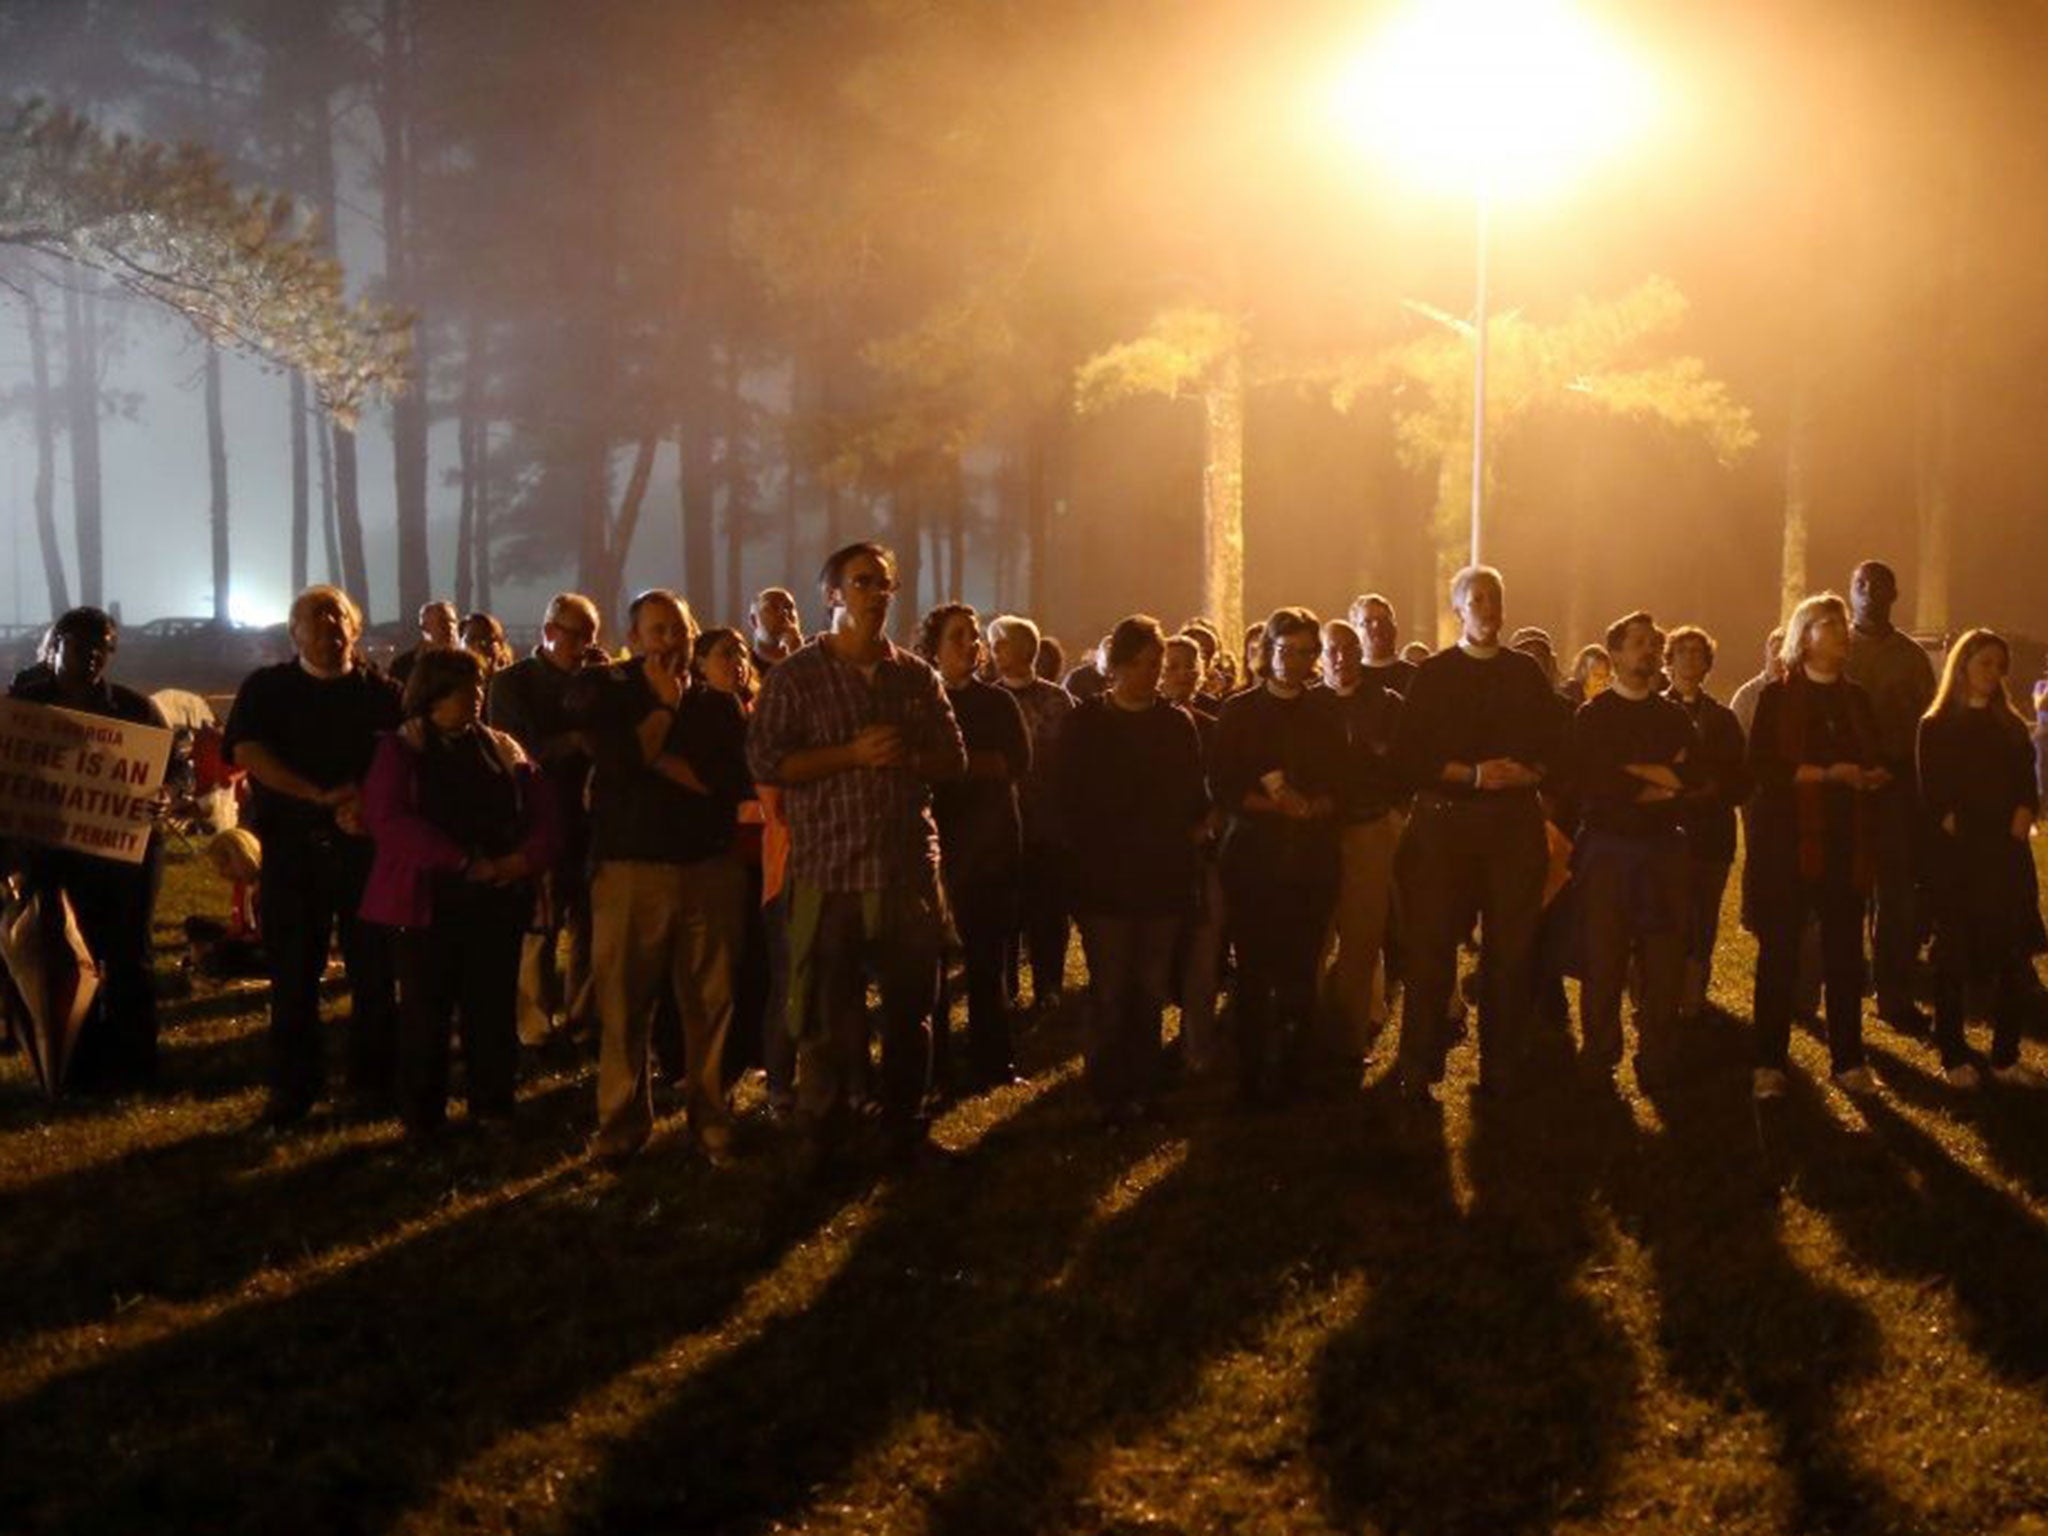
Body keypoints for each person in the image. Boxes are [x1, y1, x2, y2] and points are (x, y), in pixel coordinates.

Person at [746, 542, 966, 1171]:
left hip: (903, 873)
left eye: (886, 585)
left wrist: (909, 758)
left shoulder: (914, 676)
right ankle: (825, 1132)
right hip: (831, 873)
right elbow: (766, 761)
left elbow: (955, 757)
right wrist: (849, 755)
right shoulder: (796, 677)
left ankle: (903, 1128)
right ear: (833, 595)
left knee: (910, 1013)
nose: (877, 595)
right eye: (863, 582)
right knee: (828, 1017)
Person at [572, 589, 752, 1165]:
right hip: (632, 869)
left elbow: (726, 785)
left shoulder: (720, 704)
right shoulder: (607, 690)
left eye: (680, 628)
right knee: (625, 1003)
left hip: (708, 868)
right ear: (634, 640)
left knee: (710, 1000)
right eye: (658, 630)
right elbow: (616, 764)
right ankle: (621, 1124)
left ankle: (711, 1116)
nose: (671, 641)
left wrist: (650, 756)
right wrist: (664, 712)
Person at [224, 585, 402, 1125]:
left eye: (338, 616)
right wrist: (315, 796)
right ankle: (294, 1087)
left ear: (356, 627)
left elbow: (400, 757)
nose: (328, 626)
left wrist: (364, 803)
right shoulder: (268, 689)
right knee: (294, 976)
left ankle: (373, 1083)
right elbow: (249, 751)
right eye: (314, 617)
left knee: (374, 972)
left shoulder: (385, 694)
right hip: (293, 851)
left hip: (364, 853)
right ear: (294, 631)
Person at [361, 648, 555, 1136]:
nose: (475, 699)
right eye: (464, 690)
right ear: (434, 693)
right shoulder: (401, 750)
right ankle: (423, 1116)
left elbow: (545, 815)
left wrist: (520, 861)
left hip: (495, 898)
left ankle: (492, 1103)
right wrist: (462, 861)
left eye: (478, 688)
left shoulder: (503, 748)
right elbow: (389, 820)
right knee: (426, 1013)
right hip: (428, 901)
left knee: (490, 1007)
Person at [1389, 565, 1563, 1101]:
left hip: (1513, 826)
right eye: (1477, 599)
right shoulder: (1437, 674)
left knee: (1510, 953)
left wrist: (1533, 773)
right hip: (1445, 826)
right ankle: (1419, 1063)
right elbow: (1411, 755)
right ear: (1459, 610)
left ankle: (1502, 1065)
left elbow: (1556, 740)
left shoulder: (1525, 675)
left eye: (1495, 599)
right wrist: (1471, 775)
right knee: (1431, 948)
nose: (1488, 608)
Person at [7, 607, 169, 1093]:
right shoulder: (22, 709)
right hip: (47, 852)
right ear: (55, 645)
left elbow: (172, 768)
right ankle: (68, 1063)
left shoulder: (136, 709)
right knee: (54, 954)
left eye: (104, 646)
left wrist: (167, 796)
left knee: (127, 954)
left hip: (123, 857)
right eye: (82, 645)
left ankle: (136, 1065)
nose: (94, 655)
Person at [1059, 615, 1209, 1122]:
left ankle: (1142, 1082)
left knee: (1149, 987)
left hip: (1161, 875)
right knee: (1112, 985)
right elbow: (1070, 798)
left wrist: (1190, 837)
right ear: (1117, 667)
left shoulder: (1174, 725)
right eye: (1141, 665)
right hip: (1106, 879)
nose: (1150, 675)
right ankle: (1108, 1085)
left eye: (1157, 665)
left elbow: (1193, 795)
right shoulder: (1086, 724)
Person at [1747, 592, 1887, 1101]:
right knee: (1780, 953)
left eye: (1843, 623)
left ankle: (1849, 1060)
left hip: (1847, 843)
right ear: (1803, 636)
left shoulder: (1856, 699)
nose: (1842, 631)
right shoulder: (1777, 697)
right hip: (1790, 844)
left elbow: (1877, 752)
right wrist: (1830, 774)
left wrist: (1872, 776)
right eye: (1829, 623)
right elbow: (1764, 770)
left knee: (1846, 955)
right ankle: (1768, 1062)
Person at [1213, 607, 1348, 1103]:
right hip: (1255, 856)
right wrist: (1274, 804)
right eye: (1285, 651)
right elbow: (1224, 783)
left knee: (1300, 968)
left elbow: (1344, 779)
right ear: (1267, 652)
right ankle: (1249, 1070)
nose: (1294, 661)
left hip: (1312, 857)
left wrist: (1318, 805)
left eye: (1306, 652)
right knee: (1252, 968)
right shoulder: (1241, 711)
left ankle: (1295, 1068)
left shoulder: (1326, 711)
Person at [1567, 612, 1697, 1091]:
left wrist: (1632, 774)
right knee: (1604, 958)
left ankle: (1657, 1054)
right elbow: (1596, 785)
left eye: (1653, 642)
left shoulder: (1673, 715)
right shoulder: (1594, 717)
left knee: (1663, 959)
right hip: (1608, 850)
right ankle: (1600, 1054)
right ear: (1616, 653)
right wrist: (1660, 777)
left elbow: (1693, 777)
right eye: (1638, 642)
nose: (1648, 650)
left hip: (1664, 849)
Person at [1917, 629, 2047, 1090]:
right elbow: (1940, 802)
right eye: (1985, 663)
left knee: (2013, 958)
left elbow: (2025, 785)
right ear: (1964, 664)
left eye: (1999, 666)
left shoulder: (2010, 727)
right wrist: (1987, 825)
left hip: (2006, 861)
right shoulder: (1936, 727)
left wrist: (2025, 810)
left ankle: (2005, 1054)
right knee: (1952, 957)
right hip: (1960, 862)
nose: (1993, 673)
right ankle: (1952, 1051)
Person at [919, 603, 1030, 1090]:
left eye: (974, 636)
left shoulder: (997, 703)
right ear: (934, 649)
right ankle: (934, 1065)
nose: (970, 644)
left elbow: (1016, 762)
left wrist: (952, 765)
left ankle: (994, 1061)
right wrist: (969, 765)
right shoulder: (921, 703)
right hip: (937, 852)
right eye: (957, 636)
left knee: (989, 964)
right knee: (934, 971)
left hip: (990, 851)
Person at [489, 592, 602, 1048]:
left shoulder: (596, 680)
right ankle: (534, 1023)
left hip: (591, 820)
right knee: (540, 923)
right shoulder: (513, 683)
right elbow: (518, 749)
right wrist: (575, 739)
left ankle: (583, 1017)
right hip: (538, 818)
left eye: (590, 636)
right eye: (576, 635)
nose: (583, 646)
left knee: (589, 924)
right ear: (550, 632)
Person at [1843, 559, 1937, 1033]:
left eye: (1880, 586)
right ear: (1850, 590)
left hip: (1898, 788)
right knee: (1840, 893)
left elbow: (1929, 724)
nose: (1870, 593)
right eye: (1861, 584)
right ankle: (1836, 984)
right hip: (1844, 788)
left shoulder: (1911, 658)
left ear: (1894, 594)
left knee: (1896, 894)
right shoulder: (1835, 650)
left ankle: (1893, 992)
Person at [1317, 618, 1405, 1062]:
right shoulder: (1310, 705)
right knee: (1315, 936)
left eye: (1350, 648)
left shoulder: (1385, 704)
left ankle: (1350, 1038)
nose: (1342, 658)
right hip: (1318, 835)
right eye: (1332, 649)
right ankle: (1309, 1033)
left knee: (1362, 939)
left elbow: (1403, 762)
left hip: (1369, 828)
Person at [988, 613, 1076, 1016]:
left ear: (1025, 649)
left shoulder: (1056, 700)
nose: (993, 652)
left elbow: (1072, 759)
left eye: (1000, 644)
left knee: (1049, 911)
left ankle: (1049, 985)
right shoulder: (990, 699)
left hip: (1048, 824)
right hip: (1003, 825)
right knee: (1005, 913)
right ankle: (1003, 987)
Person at [1664, 624, 1752, 1018]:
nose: (1689, 659)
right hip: (1665, 830)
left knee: (1702, 914)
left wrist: (1713, 786)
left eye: (1698, 653)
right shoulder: (1654, 711)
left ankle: (1694, 985)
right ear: (1668, 661)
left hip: (1712, 835)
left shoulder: (1722, 718)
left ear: (1707, 665)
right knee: (1667, 912)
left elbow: (1739, 777)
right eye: (1681, 651)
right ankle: (1660, 984)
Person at [1159, 633, 1227, 1072]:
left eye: (1190, 664)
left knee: (1205, 949)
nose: (1183, 673)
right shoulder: (1144, 724)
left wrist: (1209, 824)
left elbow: (1227, 784)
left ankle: (1197, 1044)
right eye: (1172, 665)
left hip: (1205, 852)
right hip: (1156, 854)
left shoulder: (1212, 727)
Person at [1348, 593, 1418, 696]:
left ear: (1394, 626)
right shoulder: (1347, 679)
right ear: (1355, 631)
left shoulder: (1416, 677)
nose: (1376, 627)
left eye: (1383, 620)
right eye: (1367, 622)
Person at [1728, 627, 1786, 740]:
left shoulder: (1800, 694)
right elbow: (1734, 739)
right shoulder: (1746, 696)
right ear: (1766, 651)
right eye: (1776, 651)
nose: (1780, 658)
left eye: (1786, 652)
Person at [389, 599, 458, 687]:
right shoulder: (403, 666)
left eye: (453, 621)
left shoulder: (466, 664)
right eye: (442, 622)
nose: (450, 628)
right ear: (425, 628)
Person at [750, 586, 803, 674]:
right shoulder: (745, 665)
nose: (784, 612)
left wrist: (799, 652)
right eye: (773, 607)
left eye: (789, 607)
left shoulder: (820, 657)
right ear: (754, 620)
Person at [460, 611, 513, 679]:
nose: (478, 644)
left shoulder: (510, 681)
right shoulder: (451, 680)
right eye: (472, 639)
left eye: (485, 639)